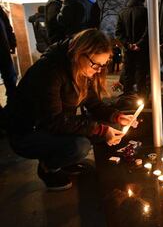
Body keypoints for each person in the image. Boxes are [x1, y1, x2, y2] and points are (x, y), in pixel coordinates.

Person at [5, 29, 138, 191]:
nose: (98, 70)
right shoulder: (49, 71)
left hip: (56, 125)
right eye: (95, 64)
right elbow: (53, 121)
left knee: (114, 127)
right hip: (27, 132)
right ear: (80, 54)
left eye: (103, 65)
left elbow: (94, 104)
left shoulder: (81, 69)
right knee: (79, 146)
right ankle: (48, 168)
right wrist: (100, 129)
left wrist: (116, 116)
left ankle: (65, 161)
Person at [116, 0, 149, 98]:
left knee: (128, 74)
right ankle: (142, 99)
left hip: (128, 50)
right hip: (142, 50)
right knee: (141, 76)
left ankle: (128, 99)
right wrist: (139, 44)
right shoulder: (145, 12)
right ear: (141, 1)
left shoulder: (122, 13)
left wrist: (128, 44)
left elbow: (118, 33)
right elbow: (147, 31)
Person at [0, 6, 17, 105]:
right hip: (3, 48)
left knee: (10, 77)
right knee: (10, 77)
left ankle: (13, 104)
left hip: (3, 49)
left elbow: (7, 27)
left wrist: (12, 43)